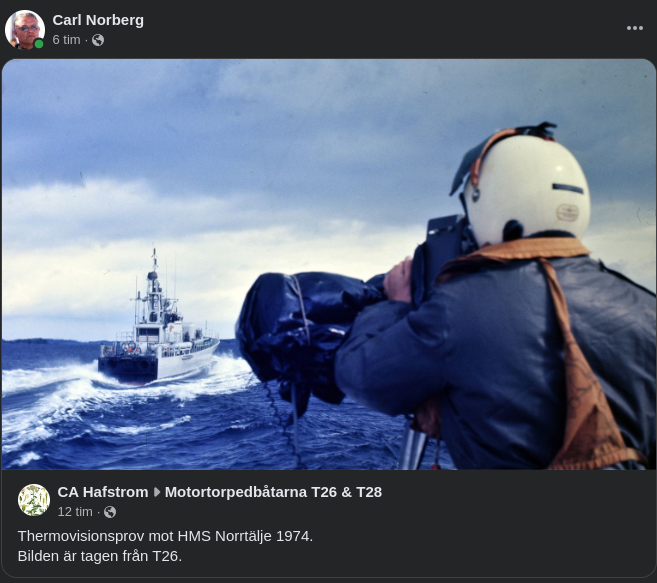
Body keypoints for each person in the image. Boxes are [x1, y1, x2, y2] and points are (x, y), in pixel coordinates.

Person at [334, 122, 656, 470]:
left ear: (489, 204)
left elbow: (361, 376)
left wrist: (397, 304)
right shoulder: (646, 308)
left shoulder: (460, 307)